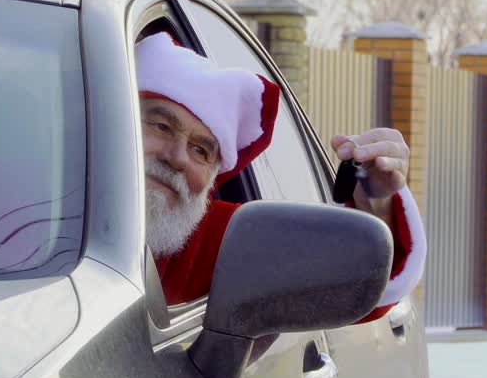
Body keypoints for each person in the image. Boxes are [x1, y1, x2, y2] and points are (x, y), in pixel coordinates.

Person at [136, 33, 425, 324]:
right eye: (161, 126)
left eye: (201, 150)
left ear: (214, 175)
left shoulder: (226, 241)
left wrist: (378, 206)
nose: (177, 158)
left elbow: (353, 284)